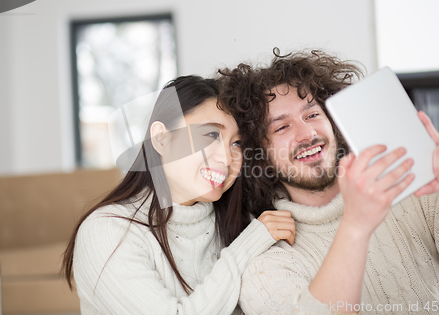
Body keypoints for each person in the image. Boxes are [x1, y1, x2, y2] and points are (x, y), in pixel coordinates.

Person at [217, 49, 439, 314]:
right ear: (260, 155)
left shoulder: (411, 186)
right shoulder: (266, 259)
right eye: (282, 127)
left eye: (312, 115)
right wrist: (355, 225)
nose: (308, 133)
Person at [61, 75, 296, 314]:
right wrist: (247, 246)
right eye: (211, 135)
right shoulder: (109, 231)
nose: (226, 159)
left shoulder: (240, 222)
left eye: (237, 144)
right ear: (161, 138)